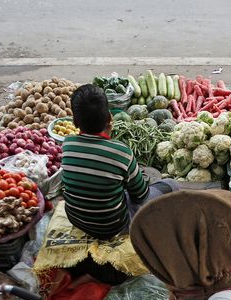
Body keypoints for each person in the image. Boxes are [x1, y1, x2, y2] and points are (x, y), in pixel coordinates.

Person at [60, 84, 177, 239]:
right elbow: (140, 197)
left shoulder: (68, 144)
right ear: (109, 117)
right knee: (171, 185)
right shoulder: (121, 151)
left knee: (114, 185)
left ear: (75, 121)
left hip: (77, 220)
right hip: (113, 227)